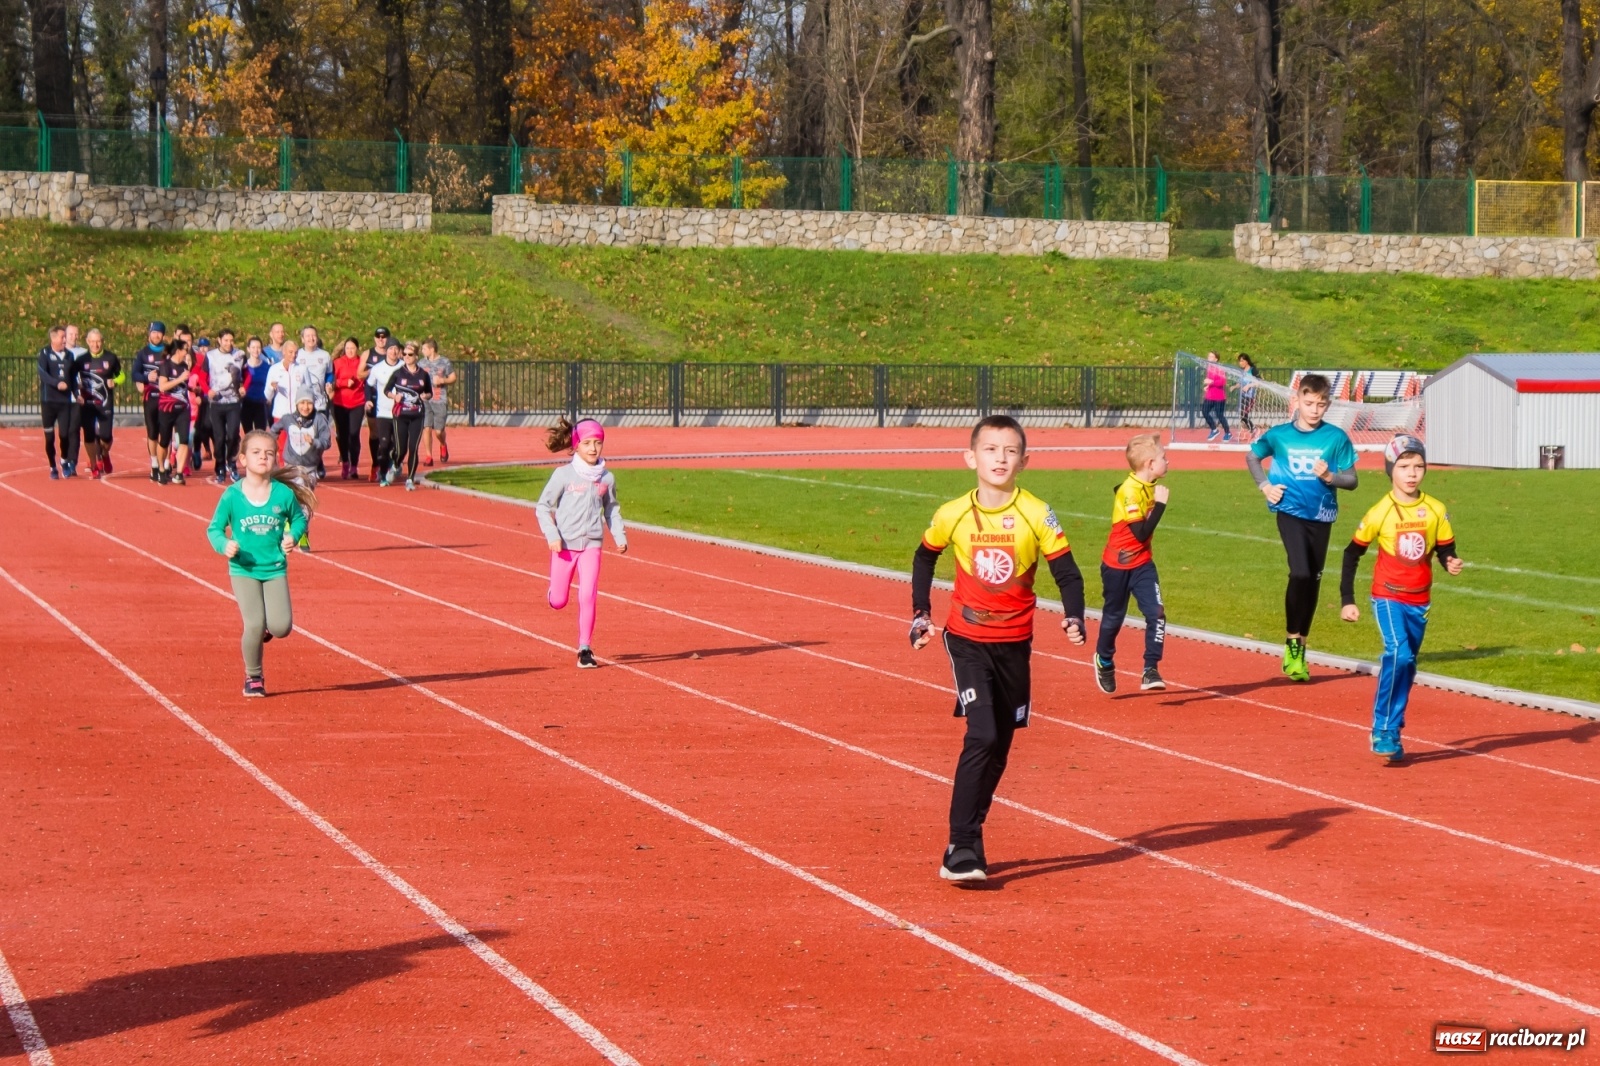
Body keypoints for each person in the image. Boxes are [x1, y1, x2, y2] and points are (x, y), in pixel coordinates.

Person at [910, 415, 1087, 884]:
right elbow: (925, 555)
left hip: (1016, 643)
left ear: (1024, 461)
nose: (1000, 459)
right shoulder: (953, 513)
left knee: (1001, 745)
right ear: (971, 458)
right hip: (966, 639)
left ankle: (973, 833)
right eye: (990, 450)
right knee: (983, 734)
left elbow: (1067, 571)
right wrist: (920, 613)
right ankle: (960, 844)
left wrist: (1074, 615)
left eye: (1010, 451)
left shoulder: (1037, 512)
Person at [1340, 436, 1462, 763]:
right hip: (1388, 596)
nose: (1412, 473)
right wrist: (1347, 599)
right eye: (1404, 467)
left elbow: (1445, 547)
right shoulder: (1381, 511)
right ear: (1391, 470)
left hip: (1419, 601)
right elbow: (1352, 553)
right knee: (1398, 653)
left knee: (1407, 667)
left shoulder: (1435, 509)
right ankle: (1382, 727)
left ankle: (1393, 727)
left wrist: (1449, 561)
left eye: (1418, 466)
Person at [1246, 373, 1358, 682]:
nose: (1314, 410)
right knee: (1300, 573)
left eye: (1320, 405)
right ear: (1297, 400)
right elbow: (1253, 457)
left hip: (1321, 515)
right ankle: (1292, 640)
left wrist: (1330, 478)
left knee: (1313, 581)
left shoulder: (1336, 438)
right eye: (1308, 403)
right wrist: (1265, 487)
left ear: (1328, 405)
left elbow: (1352, 480)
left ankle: (1300, 647)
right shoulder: (1279, 434)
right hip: (1289, 510)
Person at [206, 429, 315, 698]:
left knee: (281, 627)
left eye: (269, 453)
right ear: (243, 459)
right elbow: (214, 529)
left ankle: (265, 626)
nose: (263, 457)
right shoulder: (232, 496)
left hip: (274, 568)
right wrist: (224, 545)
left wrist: (293, 535)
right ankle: (253, 676)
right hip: (243, 569)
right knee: (253, 624)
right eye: (256, 452)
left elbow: (300, 518)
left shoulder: (282, 495)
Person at [537, 418, 627, 668]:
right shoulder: (563, 475)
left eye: (598, 443)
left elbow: (612, 509)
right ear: (576, 445)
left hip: (592, 544)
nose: (593, 448)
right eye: (587, 443)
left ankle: (584, 648)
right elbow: (543, 508)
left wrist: (619, 535)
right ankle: (554, 592)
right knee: (559, 601)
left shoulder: (606, 478)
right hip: (564, 546)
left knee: (588, 594)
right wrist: (552, 535)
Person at [1093, 433, 1170, 694]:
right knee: (1114, 617)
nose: (1167, 461)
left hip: (1143, 564)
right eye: (1163, 457)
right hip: (1116, 566)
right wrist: (1159, 506)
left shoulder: (1147, 483)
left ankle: (1151, 669)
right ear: (1150, 463)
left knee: (1157, 613)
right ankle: (1104, 659)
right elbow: (1140, 533)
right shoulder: (1130, 492)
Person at [74, 328, 121, 480]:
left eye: (98, 341)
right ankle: (94, 465)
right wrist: (76, 389)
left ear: (102, 341)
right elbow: (71, 377)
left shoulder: (111, 357)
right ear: (87, 342)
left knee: (106, 437)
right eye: (92, 341)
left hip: (105, 403)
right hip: (87, 404)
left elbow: (122, 375)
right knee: (89, 436)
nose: (95, 344)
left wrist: (116, 381)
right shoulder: (81, 360)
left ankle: (105, 454)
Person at [386, 342, 433, 490]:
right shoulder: (398, 373)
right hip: (401, 414)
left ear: (416, 357)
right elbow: (387, 390)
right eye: (404, 354)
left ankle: (410, 479)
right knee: (401, 449)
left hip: (417, 415)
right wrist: (394, 396)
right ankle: (395, 464)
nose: (406, 357)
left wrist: (426, 395)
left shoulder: (423, 375)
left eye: (410, 354)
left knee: (413, 447)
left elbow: (429, 392)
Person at [37, 325, 80, 479]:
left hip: (64, 402)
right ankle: (52, 466)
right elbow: (43, 374)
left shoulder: (69, 355)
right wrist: (57, 384)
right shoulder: (44, 353)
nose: (64, 340)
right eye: (62, 337)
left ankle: (64, 460)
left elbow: (73, 377)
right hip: (49, 402)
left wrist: (77, 393)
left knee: (65, 434)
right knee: (49, 438)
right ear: (53, 338)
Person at [207, 329, 246, 483]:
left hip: (234, 402)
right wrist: (206, 390)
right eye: (226, 340)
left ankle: (231, 462)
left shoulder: (239, 355)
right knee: (219, 437)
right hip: (216, 402)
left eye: (231, 340)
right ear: (219, 340)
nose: (229, 343)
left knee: (232, 435)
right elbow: (203, 375)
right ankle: (220, 466)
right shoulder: (210, 356)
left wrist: (244, 387)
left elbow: (246, 373)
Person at [132, 322, 169, 482]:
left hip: (167, 398)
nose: (156, 336)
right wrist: (146, 378)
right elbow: (135, 374)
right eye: (154, 332)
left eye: (159, 333)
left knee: (165, 432)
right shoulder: (143, 353)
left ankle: (165, 463)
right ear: (149, 334)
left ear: (163, 335)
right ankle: (154, 463)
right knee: (152, 432)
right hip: (151, 398)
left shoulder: (169, 351)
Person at [155, 338, 195, 485]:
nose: (187, 353)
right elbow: (162, 387)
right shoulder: (165, 365)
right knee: (164, 441)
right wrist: (179, 379)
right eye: (185, 350)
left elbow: (183, 386)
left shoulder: (185, 365)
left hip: (183, 408)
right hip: (167, 408)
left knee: (184, 440)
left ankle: (179, 473)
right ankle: (160, 469)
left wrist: (192, 389)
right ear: (178, 351)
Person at [366, 341, 404, 485]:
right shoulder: (377, 368)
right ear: (386, 351)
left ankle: (394, 464)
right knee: (383, 445)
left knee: (399, 446)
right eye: (390, 349)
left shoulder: (404, 367)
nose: (393, 352)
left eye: (396, 349)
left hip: (401, 413)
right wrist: (368, 400)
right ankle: (382, 474)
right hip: (383, 412)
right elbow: (369, 385)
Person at [330, 337, 368, 479]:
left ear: (357, 349)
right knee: (342, 435)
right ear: (344, 349)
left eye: (353, 348)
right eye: (347, 349)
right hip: (340, 403)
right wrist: (345, 382)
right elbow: (332, 381)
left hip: (357, 403)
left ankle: (354, 466)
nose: (350, 351)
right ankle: (345, 461)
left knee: (354, 434)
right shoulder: (337, 363)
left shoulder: (362, 363)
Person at [418, 339, 456, 466]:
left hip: (439, 400)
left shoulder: (444, 362)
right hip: (425, 400)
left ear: (431, 349)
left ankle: (443, 444)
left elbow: (453, 377)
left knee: (439, 431)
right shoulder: (421, 363)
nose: (422, 351)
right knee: (426, 428)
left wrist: (442, 380)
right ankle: (429, 456)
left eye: (424, 349)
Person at [362, 327, 392, 481]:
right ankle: (376, 464)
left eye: (384, 336)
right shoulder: (368, 354)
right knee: (375, 433)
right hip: (374, 399)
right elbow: (359, 374)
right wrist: (371, 371)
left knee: (390, 436)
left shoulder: (394, 354)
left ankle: (387, 461)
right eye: (378, 336)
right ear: (375, 338)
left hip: (391, 401)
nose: (381, 339)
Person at [187, 339, 213, 473]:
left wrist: (201, 392)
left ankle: (209, 452)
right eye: (201, 347)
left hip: (203, 401)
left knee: (204, 427)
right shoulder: (179, 358)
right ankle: (185, 456)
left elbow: (202, 378)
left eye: (206, 346)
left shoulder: (205, 359)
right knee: (193, 431)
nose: (203, 349)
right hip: (187, 402)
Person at [241, 336, 272, 432]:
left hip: (261, 403)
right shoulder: (243, 367)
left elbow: (270, 384)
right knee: (248, 433)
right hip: (246, 403)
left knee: (260, 432)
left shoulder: (267, 367)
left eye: (258, 347)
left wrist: (269, 397)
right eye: (253, 347)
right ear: (248, 349)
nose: (256, 350)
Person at [1202, 351, 1231, 443]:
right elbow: (1211, 381)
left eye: (1211, 357)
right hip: (1210, 395)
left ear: (1216, 359)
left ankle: (1228, 433)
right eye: (1208, 356)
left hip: (1219, 396)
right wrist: (1208, 386)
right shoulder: (1209, 368)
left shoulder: (1220, 368)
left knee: (1219, 415)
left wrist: (1211, 382)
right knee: (1204, 411)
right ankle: (1214, 430)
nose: (1209, 358)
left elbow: (1222, 382)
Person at [1236, 353, 1259, 440]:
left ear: (1247, 361)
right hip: (1242, 397)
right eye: (1239, 361)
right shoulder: (1241, 372)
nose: (1240, 363)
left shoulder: (1253, 370)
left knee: (1243, 415)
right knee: (1242, 416)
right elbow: (1240, 383)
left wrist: (1249, 386)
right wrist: (1234, 386)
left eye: (1242, 361)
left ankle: (1254, 429)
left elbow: (1258, 383)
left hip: (1250, 397)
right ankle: (1250, 431)